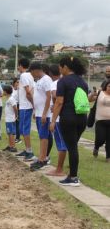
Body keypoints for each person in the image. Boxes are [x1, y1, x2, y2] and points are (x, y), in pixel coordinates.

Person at [50, 56, 89, 186]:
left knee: (72, 148)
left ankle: (73, 177)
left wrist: (53, 120)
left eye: (60, 67)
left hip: (68, 117)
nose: (60, 70)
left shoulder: (63, 81)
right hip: (82, 118)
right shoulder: (83, 82)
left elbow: (59, 102)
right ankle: (72, 175)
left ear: (65, 67)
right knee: (73, 147)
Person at [29, 62, 52, 171]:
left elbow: (49, 97)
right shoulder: (39, 81)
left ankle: (42, 159)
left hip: (44, 115)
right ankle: (41, 158)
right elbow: (38, 97)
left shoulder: (47, 79)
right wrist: (35, 111)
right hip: (38, 113)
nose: (32, 75)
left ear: (36, 70)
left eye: (32, 73)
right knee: (41, 136)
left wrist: (44, 113)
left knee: (44, 137)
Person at [47, 64, 67, 176]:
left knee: (61, 144)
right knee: (63, 143)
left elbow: (55, 96)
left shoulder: (56, 83)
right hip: (65, 116)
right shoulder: (67, 82)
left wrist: (55, 106)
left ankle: (59, 169)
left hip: (58, 117)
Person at [15, 58, 35, 161]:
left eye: (18, 65)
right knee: (22, 129)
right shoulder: (30, 76)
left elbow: (28, 91)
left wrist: (33, 105)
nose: (18, 67)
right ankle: (27, 150)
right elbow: (32, 88)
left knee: (24, 129)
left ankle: (30, 152)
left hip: (26, 106)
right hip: (24, 106)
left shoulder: (24, 75)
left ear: (21, 65)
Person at [89, 79, 110, 162]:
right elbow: (90, 99)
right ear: (106, 86)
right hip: (101, 121)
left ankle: (108, 157)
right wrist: (92, 93)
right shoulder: (100, 93)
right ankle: (96, 147)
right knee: (100, 139)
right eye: (109, 86)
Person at [2, 85, 18, 153]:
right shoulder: (8, 99)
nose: (3, 92)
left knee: (11, 133)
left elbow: (15, 108)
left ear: (6, 91)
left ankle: (13, 147)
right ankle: (10, 145)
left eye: (4, 91)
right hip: (8, 119)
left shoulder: (11, 99)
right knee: (9, 133)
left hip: (11, 119)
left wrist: (16, 116)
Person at [11, 78, 22, 144]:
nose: (18, 83)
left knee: (17, 122)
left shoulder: (19, 90)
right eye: (17, 82)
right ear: (14, 83)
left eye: (19, 82)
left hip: (18, 106)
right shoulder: (12, 89)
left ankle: (18, 138)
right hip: (12, 106)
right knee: (13, 122)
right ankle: (14, 136)